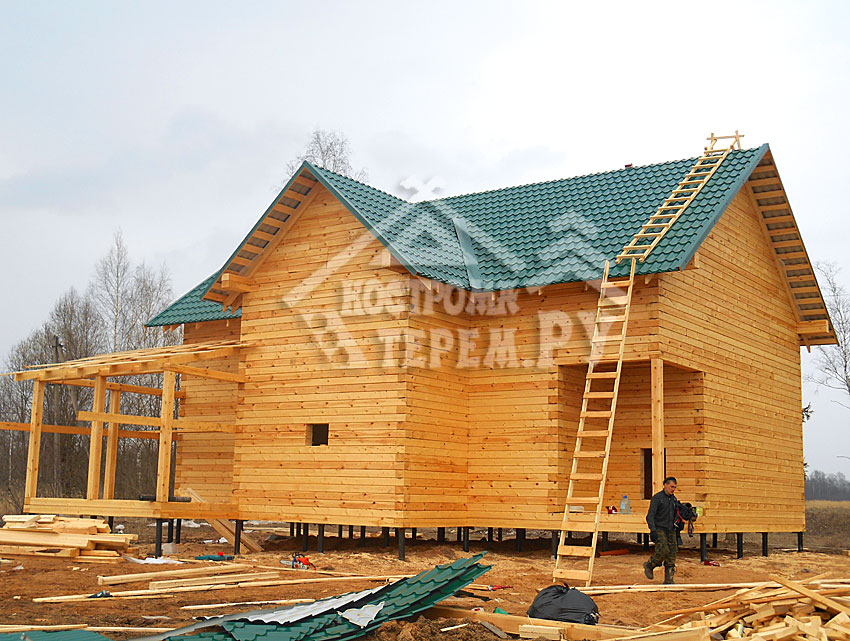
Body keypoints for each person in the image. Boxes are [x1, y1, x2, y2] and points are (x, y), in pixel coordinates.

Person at [644, 476, 682, 584]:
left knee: (672, 554)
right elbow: (650, 516)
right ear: (665, 485)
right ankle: (650, 564)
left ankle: (669, 580)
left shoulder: (674, 499)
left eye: (675, 487)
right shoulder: (657, 498)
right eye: (671, 487)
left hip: (671, 529)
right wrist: (653, 530)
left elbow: (676, 514)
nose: (673, 489)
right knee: (663, 551)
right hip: (659, 528)